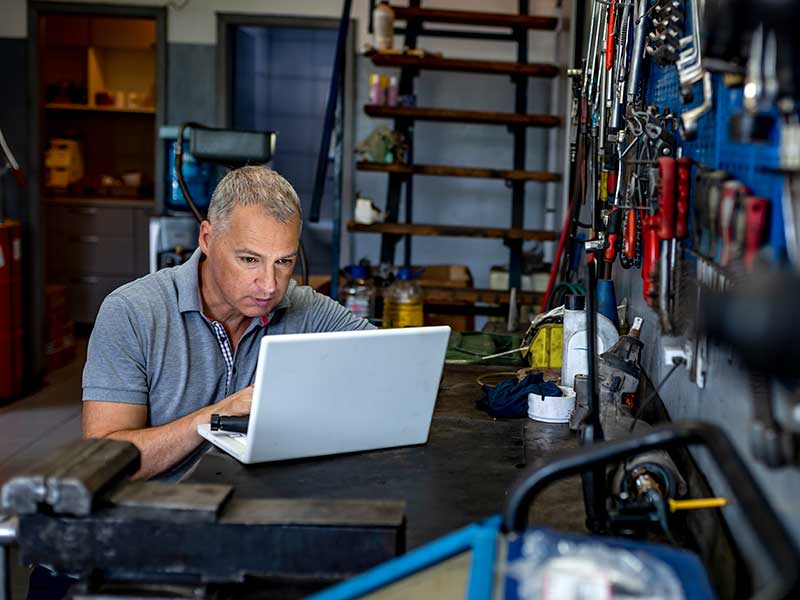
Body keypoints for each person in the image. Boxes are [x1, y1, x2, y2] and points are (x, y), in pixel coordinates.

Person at [81, 166, 373, 481]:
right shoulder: (131, 313)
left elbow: (394, 364)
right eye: (249, 260)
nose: (269, 285)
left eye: (283, 261)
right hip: (167, 505)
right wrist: (214, 417)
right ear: (207, 239)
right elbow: (103, 460)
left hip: (270, 499)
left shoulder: (307, 309)